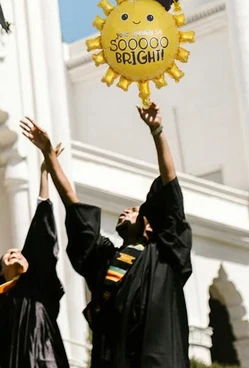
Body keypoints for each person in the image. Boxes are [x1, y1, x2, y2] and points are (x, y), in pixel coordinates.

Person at [27, 103, 192, 368]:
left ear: (150, 226)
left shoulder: (166, 256)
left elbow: (170, 184)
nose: (126, 210)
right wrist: (49, 156)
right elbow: (74, 206)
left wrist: (157, 130)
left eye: (135, 210)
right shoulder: (105, 259)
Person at [0, 128, 70, 368]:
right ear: (1, 273)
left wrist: (45, 174)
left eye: (20, 253)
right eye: (8, 255)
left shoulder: (38, 286)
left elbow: (41, 236)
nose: (16, 254)